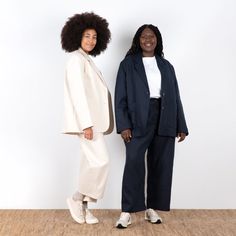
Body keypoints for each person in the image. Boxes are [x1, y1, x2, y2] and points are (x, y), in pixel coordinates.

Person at [114, 24, 188, 228]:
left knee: (160, 164)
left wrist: (181, 124)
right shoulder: (128, 64)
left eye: (152, 36)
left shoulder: (166, 65)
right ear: (138, 40)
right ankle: (127, 210)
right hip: (138, 120)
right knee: (134, 163)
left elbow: (176, 96)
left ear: (157, 40)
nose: (148, 39)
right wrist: (124, 125)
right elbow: (120, 97)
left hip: (165, 117)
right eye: (144, 36)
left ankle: (151, 208)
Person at [61, 12, 113, 225]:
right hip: (88, 123)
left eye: (94, 37)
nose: (91, 40)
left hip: (96, 122)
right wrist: (86, 125)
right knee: (102, 161)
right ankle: (76, 198)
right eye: (87, 36)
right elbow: (78, 95)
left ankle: (84, 205)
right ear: (77, 37)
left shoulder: (87, 60)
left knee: (89, 164)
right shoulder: (75, 60)